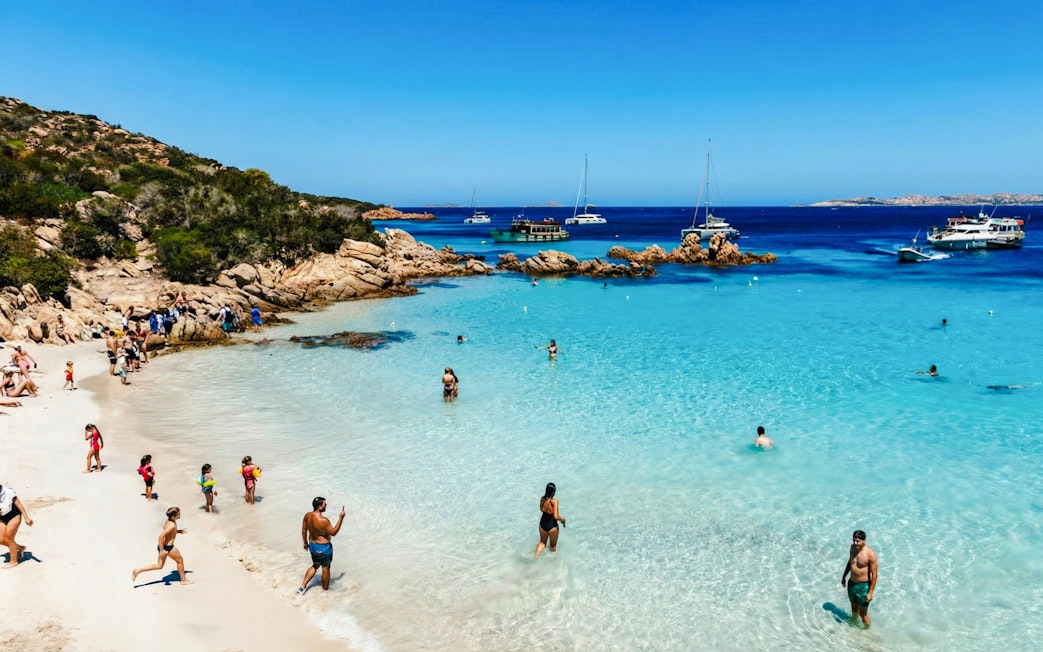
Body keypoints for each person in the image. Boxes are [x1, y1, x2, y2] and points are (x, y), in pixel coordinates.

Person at [132, 507, 193, 585]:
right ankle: (183, 580)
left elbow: (166, 529)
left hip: (164, 546)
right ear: (173, 516)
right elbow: (161, 536)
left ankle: (137, 570)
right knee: (180, 561)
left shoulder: (169, 521)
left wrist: (177, 531)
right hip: (168, 548)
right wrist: (162, 551)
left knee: (159, 566)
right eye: (178, 514)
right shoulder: (172, 526)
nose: (180, 515)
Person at [298, 497, 346, 594]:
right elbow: (333, 532)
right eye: (325, 504)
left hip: (313, 545)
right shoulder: (323, 520)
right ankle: (325, 593)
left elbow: (304, 531)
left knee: (315, 565)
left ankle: (302, 586)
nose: (326, 505)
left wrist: (305, 543)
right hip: (324, 548)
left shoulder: (307, 516)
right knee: (325, 568)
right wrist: (341, 518)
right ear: (320, 507)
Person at [841, 529, 878, 628]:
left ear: (864, 541)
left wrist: (870, 592)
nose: (855, 543)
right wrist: (844, 576)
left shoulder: (870, 554)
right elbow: (850, 562)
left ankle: (867, 630)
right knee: (854, 609)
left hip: (863, 587)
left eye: (858, 541)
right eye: (853, 540)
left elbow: (874, 574)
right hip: (852, 584)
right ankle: (853, 625)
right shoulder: (852, 548)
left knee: (863, 614)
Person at [0, 483, 33, 568]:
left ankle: (13, 561)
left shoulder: (8, 491)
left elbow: (19, 505)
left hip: (14, 516)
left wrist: (26, 518)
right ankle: (20, 548)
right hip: (2, 517)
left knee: (8, 538)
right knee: (1, 539)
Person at [534, 482, 565, 559]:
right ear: (553, 492)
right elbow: (555, 516)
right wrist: (562, 519)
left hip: (542, 524)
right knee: (553, 546)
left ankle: (535, 557)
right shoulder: (554, 501)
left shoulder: (542, 499)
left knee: (542, 542)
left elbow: (541, 509)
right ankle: (553, 563)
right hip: (552, 526)